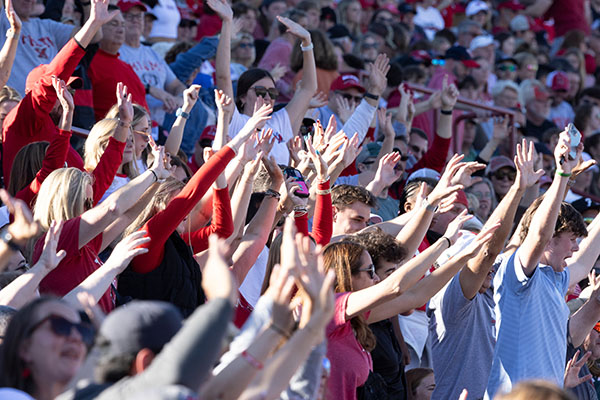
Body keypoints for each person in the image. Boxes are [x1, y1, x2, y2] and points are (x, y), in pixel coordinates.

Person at [117, 95, 268, 317]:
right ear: (160, 205)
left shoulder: (179, 242)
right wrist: (241, 136)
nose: (188, 213)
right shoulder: (148, 238)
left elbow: (223, 231)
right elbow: (190, 195)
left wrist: (221, 181)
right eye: (178, 204)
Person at [484, 130, 589, 398]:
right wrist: (562, 175)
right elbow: (539, 234)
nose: (576, 248)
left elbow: (585, 262)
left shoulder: (556, 279)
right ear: (550, 240)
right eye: (572, 239)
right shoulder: (517, 273)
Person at [2, 0, 118, 189]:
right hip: (31, 214)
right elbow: (55, 74)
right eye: (61, 92)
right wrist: (92, 24)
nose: (67, 97)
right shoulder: (24, 121)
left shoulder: (59, 133)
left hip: (63, 213)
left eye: (70, 90)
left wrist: (120, 139)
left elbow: (90, 190)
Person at [212, 0, 317, 164]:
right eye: (260, 91)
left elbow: (307, 89)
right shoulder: (234, 119)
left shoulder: (278, 122)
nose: (268, 97)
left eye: (273, 92)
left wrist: (307, 42)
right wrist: (227, 23)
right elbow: (223, 76)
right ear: (243, 97)